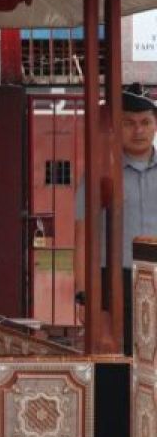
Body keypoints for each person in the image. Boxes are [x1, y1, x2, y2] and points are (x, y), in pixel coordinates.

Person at [75, 83, 157, 354]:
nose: (139, 130)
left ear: (155, 126)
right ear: (117, 128)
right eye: (129, 123)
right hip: (113, 282)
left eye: (146, 122)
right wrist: (84, 296)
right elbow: (83, 236)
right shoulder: (102, 175)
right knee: (116, 363)